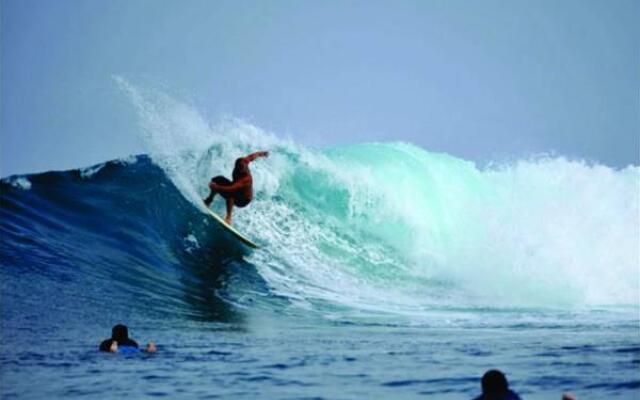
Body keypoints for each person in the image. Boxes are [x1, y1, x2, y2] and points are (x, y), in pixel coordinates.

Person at [203, 151, 269, 224]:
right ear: (236, 164)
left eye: (243, 169)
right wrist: (261, 154)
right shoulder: (244, 160)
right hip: (237, 190)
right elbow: (252, 156)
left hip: (243, 200)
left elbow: (231, 188)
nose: (241, 170)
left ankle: (228, 218)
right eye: (240, 168)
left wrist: (216, 187)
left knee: (230, 194)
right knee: (218, 179)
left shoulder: (246, 179)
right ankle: (208, 200)